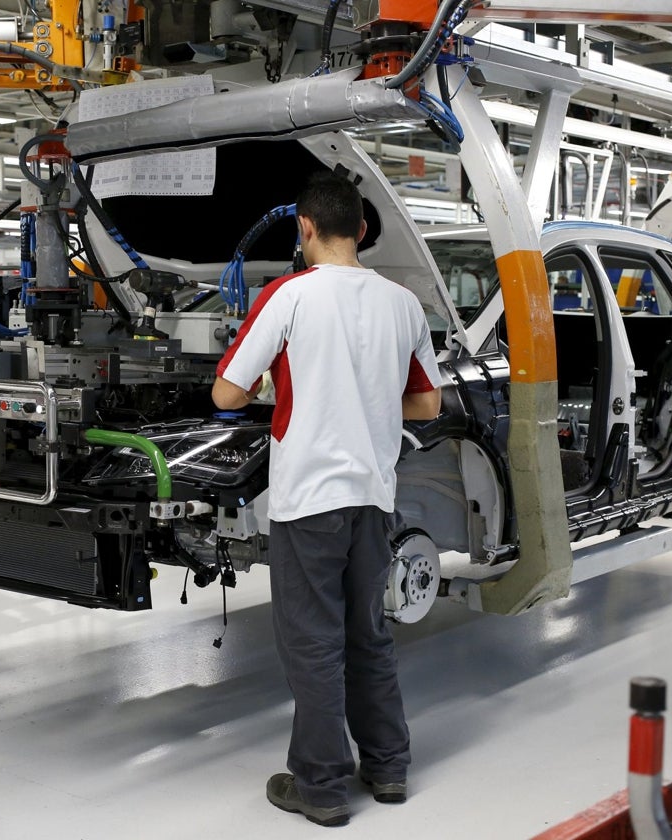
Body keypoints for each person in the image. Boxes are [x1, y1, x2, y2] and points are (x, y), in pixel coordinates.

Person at [212, 171, 441, 827]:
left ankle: (320, 784)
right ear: (363, 230)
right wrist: (362, 393)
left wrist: (300, 388)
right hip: (373, 494)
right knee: (368, 635)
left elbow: (227, 393)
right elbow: (427, 403)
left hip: (308, 497)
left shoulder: (289, 296)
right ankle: (389, 769)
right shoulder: (402, 302)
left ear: (303, 228)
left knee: (313, 644)